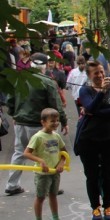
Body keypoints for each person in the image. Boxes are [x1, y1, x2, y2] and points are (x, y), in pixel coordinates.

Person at [4, 53, 69, 196]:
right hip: (40, 124)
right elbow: (56, 106)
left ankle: (12, 184)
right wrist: (63, 121)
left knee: (19, 152)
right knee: (47, 153)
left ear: (30, 64)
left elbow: (10, 100)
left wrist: (15, 113)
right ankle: (50, 185)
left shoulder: (19, 80)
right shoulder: (48, 82)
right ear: (45, 66)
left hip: (20, 122)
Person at [74, 60, 110, 220]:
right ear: (89, 75)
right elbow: (89, 107)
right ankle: (95, 208)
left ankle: (108, 207)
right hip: (88, 139)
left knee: (108, 173)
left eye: (102, 72)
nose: (101, 75)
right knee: (92, 175)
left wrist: (95, 112)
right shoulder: (85, 90)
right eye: (96, 73)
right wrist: (101, 92)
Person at [22, 108, 67, 220]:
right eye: (52, 121)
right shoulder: (38, 137)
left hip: (55, 172)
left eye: (57, 120)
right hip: (42, 174)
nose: (56, 123)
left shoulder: (56, 136)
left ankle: (55, 217)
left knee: (53, 196)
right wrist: (41, 161)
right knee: (40, 197)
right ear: (43, 122)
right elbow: (26, 153)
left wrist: (61, 163)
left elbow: (64, 152)